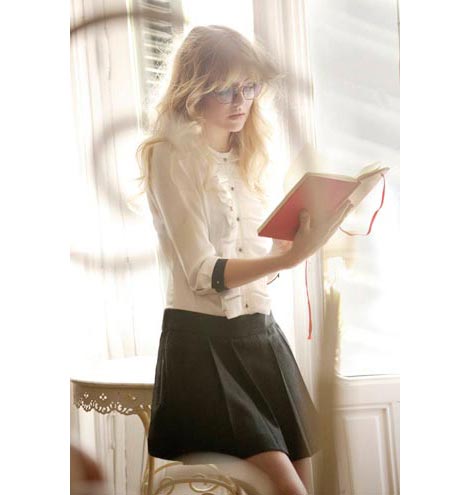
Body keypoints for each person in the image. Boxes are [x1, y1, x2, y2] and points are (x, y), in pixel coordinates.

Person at [137, 25, 351, 495]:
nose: (241, 101)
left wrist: (285, 251)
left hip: (262, 339)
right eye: (225, 89)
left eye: (249, 86)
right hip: (204, 346)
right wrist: (288, 260)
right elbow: (203, 274)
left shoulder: (246, 154)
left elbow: (248, 268)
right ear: (194, 91)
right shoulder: (171, 156)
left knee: (304, 488)